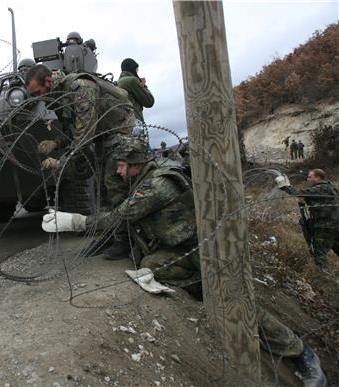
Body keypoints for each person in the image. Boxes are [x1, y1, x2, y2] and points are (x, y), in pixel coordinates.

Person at [41, 146, 327, 387]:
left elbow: (121, 215)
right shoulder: (144, 181)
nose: (117, 172)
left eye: (121, 167)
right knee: (152, 265)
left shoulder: (157, 184)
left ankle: (300, 353)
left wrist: (77, 221)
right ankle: (202, 291)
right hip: (182, 250)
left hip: (205, 249)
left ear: (136, 166)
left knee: (234, 300)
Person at [25, 63, 138, 257]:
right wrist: (56, 143)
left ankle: (127, 241)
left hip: (118, 130)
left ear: (49, 81)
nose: (38, 98)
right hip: (102, 133)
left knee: (115, 186)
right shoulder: (59, 95)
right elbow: (73, 129)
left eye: (38, 92)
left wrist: (61, 163)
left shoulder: (80, 88)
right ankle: (111, 235)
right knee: (103, 188)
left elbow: (84, 133)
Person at [276, 169, 339, 272]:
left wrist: (284, 186)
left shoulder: (320, 188)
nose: (308, 179)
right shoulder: (333, 188)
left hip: (325, 226)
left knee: (318, 251)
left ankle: (325, 278)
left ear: (318, 178)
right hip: (336, 226)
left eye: (310, 177)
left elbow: (298, 193)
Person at [116, 58, 155, 129]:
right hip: (135, 123)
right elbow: (149, 102)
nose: (137, 71)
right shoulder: (132, 80)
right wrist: (144, 86)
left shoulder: (118, 82)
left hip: (123, 123)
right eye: (137, 69)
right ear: (132, 68)